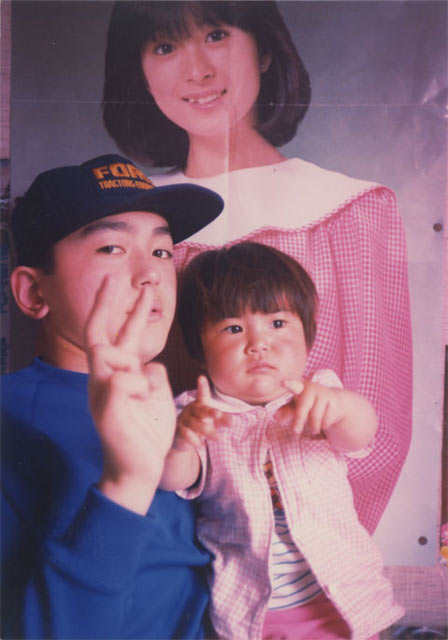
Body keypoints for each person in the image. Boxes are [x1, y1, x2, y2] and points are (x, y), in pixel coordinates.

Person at [102, 0, 413, 535]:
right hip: (158, 540)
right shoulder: (128, 221)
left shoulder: (351, 209)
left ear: (264, 49)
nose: (196, 70)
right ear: (141, 72)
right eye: (165, 46)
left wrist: (308, 553)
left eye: (216, 35)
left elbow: (378, 425)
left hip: (312, 551)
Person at [1, 153, 224, 639]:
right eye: (111, 248)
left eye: (161, 251)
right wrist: (127, 484)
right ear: (34, 292)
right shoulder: (9, 419)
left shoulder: (181, 405)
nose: (151, 274)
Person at [160, 242, 404, 640]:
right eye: (233, 328)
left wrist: (339, 407)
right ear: (199, 350)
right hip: (254, 610)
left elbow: (361, 432)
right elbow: (172, 478)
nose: (258, 343)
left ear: (307, 336)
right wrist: (181, 442)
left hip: (342, 600)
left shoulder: (319, 393)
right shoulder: (196, 412)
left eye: (277, 323)